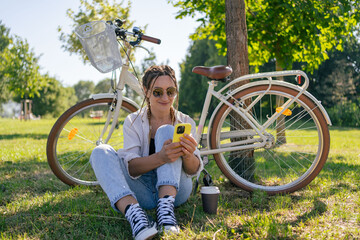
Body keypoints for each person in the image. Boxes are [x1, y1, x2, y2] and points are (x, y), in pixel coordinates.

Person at [90, 65, 203, 240]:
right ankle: (136, 216)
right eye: (158, 92)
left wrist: (188, 154)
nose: (165, 97)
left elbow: (193, 170)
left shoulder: (185, 121)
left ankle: (166, 213)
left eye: (170, 91)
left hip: (176, 192)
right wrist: (161, 157)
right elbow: (132, 169)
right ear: (146, 92)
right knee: (100, 151)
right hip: (142, 191)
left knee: (166, 131)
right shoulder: (133, 121)